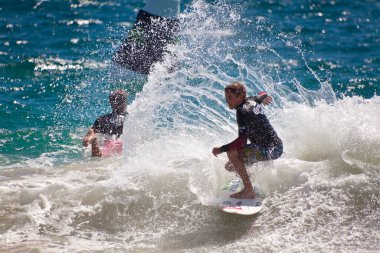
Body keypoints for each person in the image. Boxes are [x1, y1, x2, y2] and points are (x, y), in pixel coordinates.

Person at [212, 82, 283, 199]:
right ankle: (249, 181)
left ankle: (248, 190)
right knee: (231, 166)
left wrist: (220, 149)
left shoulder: (242, 111)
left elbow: (241, 141)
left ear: (240, 96)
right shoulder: (252, 99)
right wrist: (264, 98)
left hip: (269, 150)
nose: (227, 101)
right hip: (277, 147)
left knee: (232, 153)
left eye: (230, 98)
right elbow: (263, 93)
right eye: (226, 98)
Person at [83, 89, 128, 157]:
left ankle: (93, 140)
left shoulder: (101, 119)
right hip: (120, 143)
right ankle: (94, 141)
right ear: (124, 102)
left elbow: (85, 144)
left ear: (111, 102)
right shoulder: (129, 118)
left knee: (99, 156)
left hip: (107, 142)